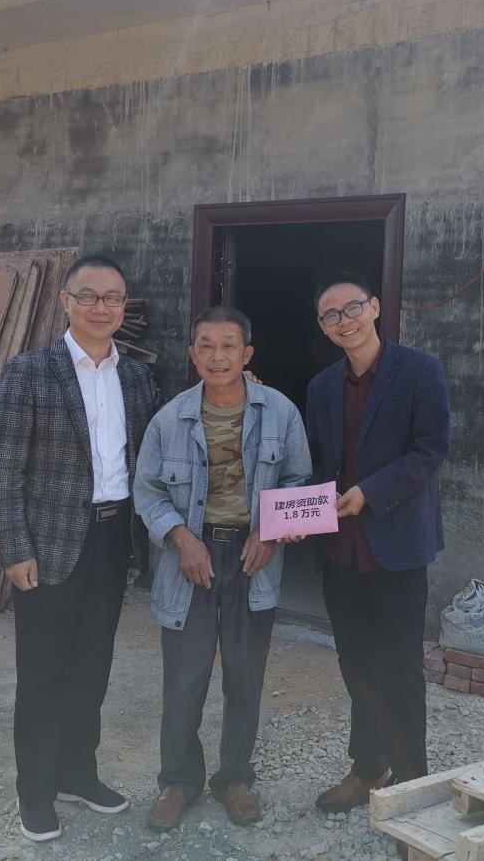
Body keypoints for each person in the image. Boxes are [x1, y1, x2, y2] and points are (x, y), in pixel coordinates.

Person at [0, 253, 161, 842]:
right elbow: (3, 468)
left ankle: (78, 773)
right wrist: (15, 548)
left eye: (112, 297)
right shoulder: (30, 372)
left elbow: (158, 447)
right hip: (48, 544)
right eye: (88, 296)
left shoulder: (136, 379)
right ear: (66, 301)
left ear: (124, 306)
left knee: (92, 665)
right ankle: (35, 791)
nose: (100, 307)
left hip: (113, 539)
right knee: (43, 671)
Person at [134, 305, 311, 830]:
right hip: (188, 559)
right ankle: (177, 781)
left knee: (244, 676)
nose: (217, 356)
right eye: (206, 346)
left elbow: (299, 479)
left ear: (246, 354)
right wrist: (181, 538)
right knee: (184, 679)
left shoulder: (280, 413)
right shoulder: (170, 419)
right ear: (193, 355)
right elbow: (148, 491)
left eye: (228, 346)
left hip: (253, 559)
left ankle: (235, 779)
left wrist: (271, 531)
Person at [304, 271, 451, 812]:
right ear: (323, 327)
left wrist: (371, 492)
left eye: (352, 308)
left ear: (375, 308)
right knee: (357, 665)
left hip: (397, 547)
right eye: (331, 315)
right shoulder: (322, 386)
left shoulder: (419, 370)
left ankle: (412, 786)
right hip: (341, 551)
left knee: (400, 669)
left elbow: (431, 448)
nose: (344, 320)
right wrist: (298, 508)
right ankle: (368, 768)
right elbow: (318, 461)